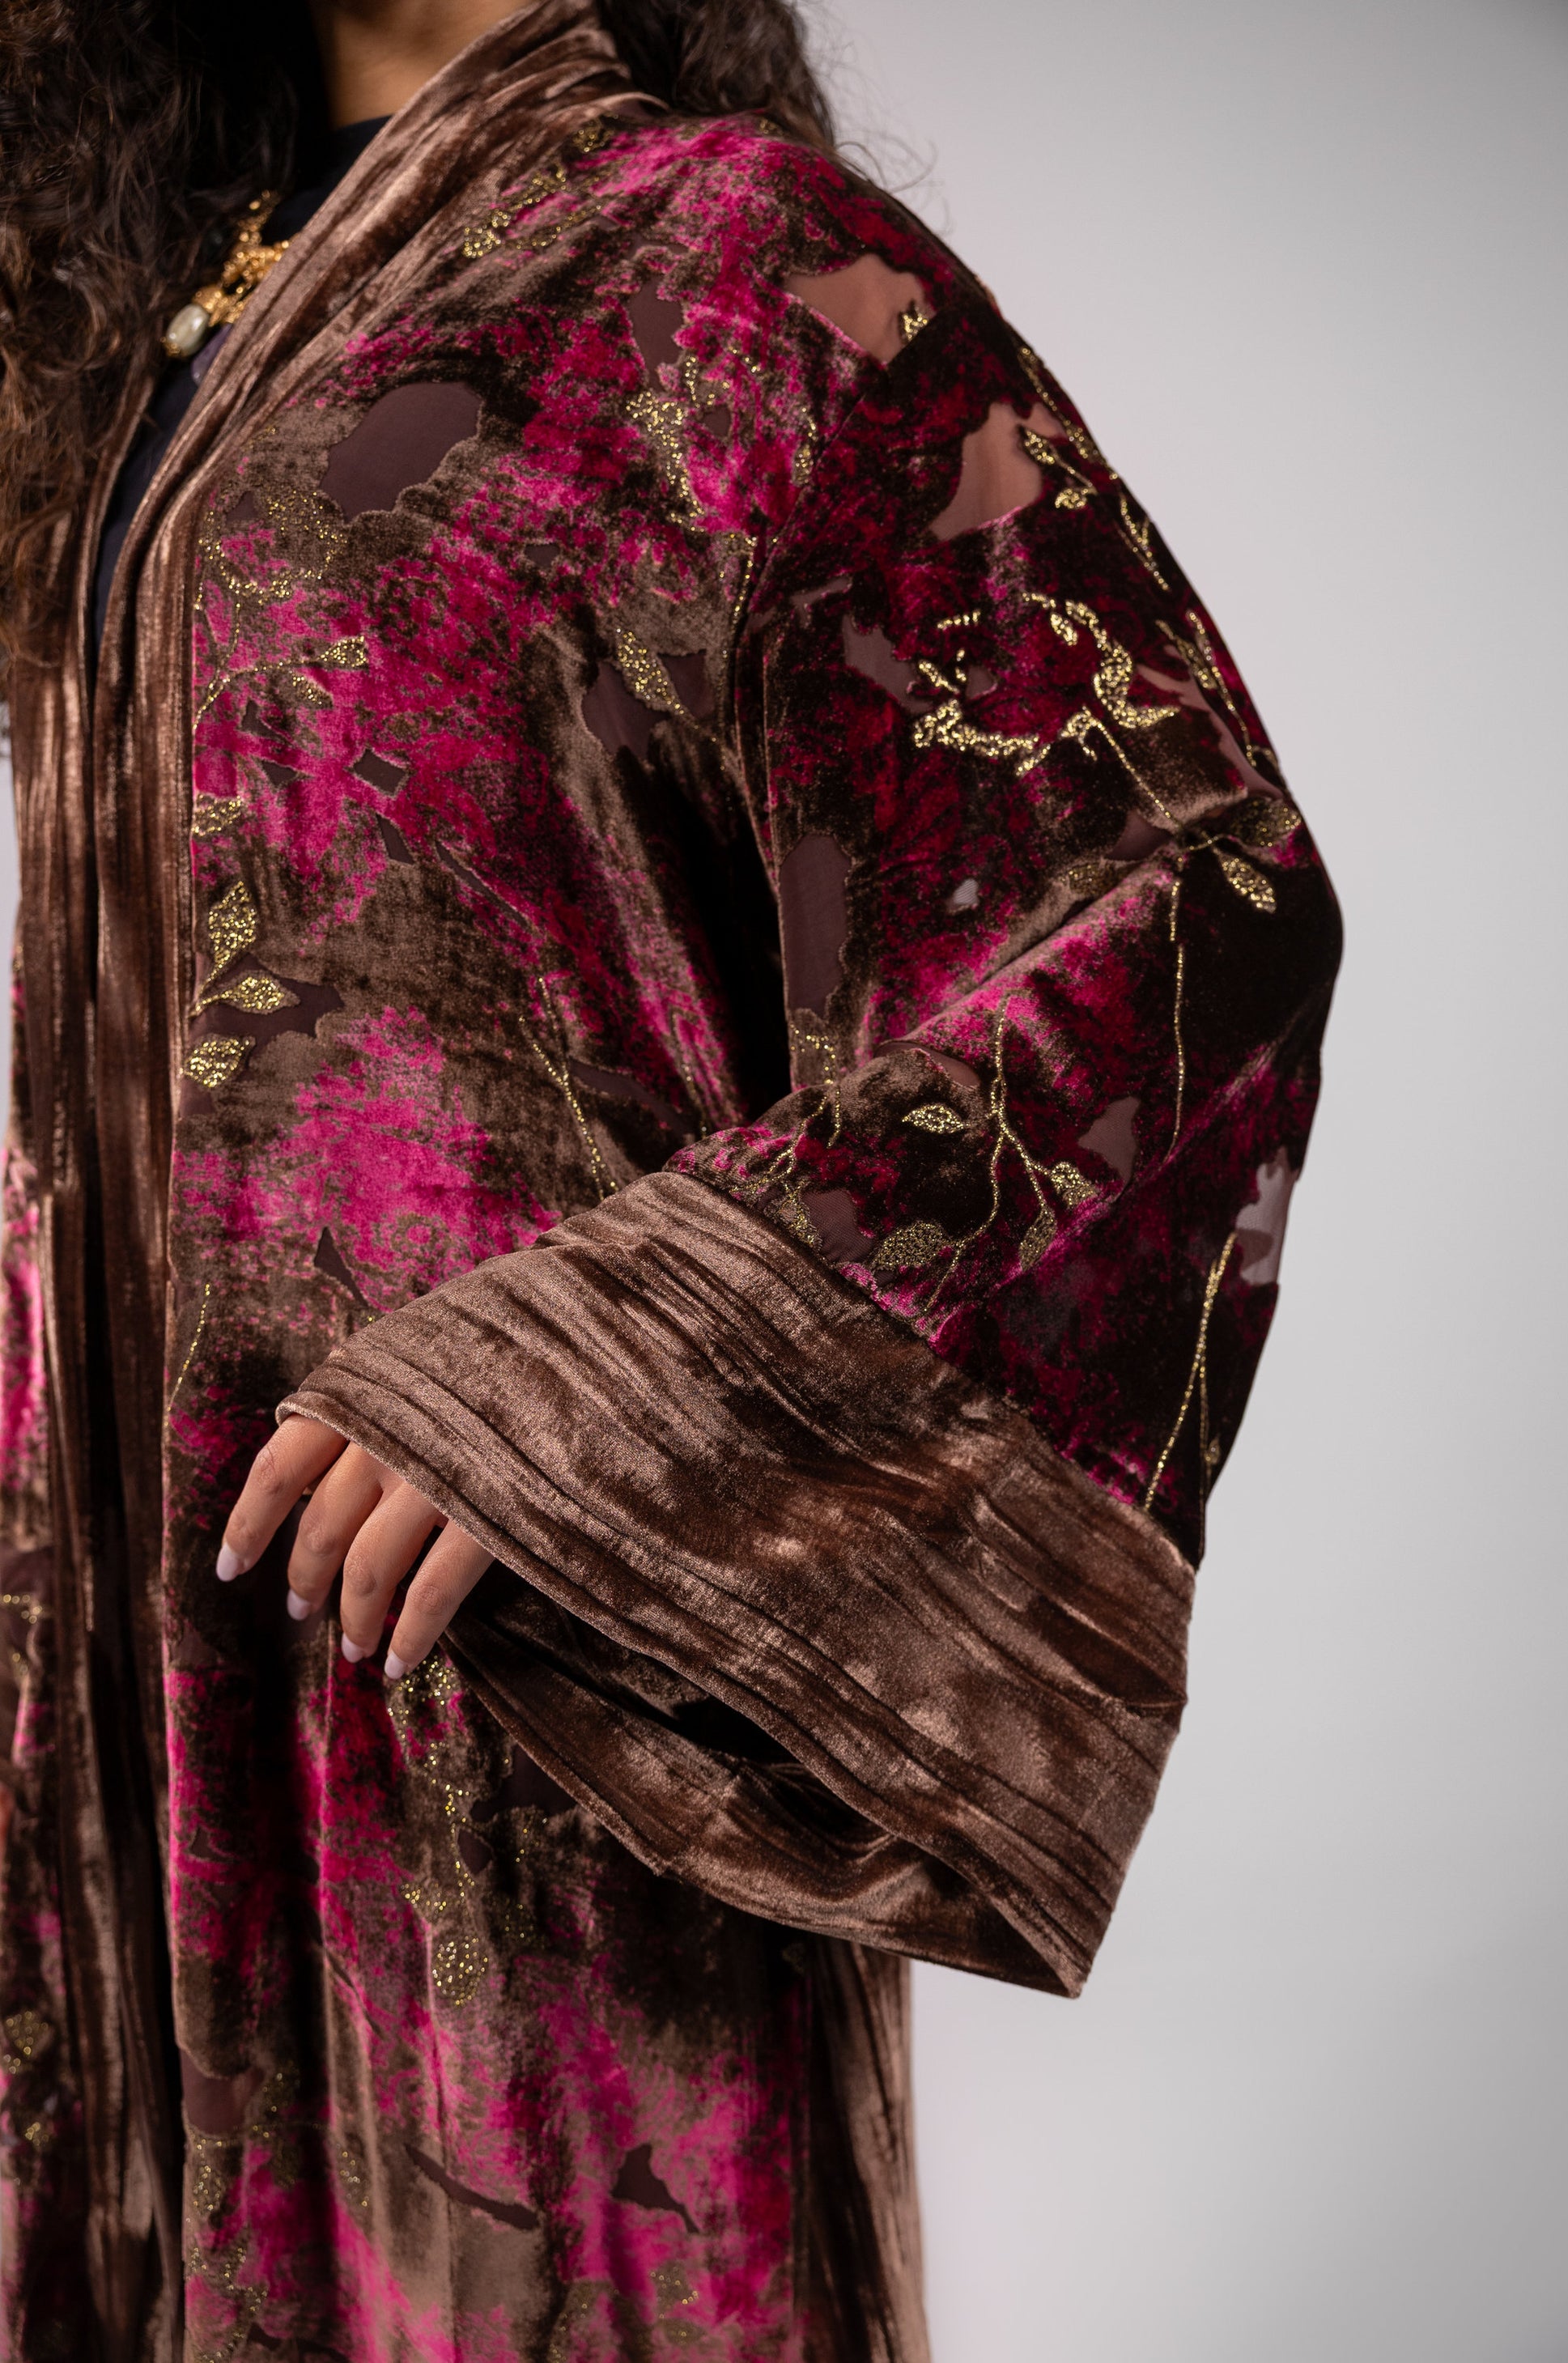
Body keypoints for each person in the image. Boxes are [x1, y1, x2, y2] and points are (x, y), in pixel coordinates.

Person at [0, 0, 1341, 2353]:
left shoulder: (749, 267)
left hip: (505, 1675)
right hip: (127, 1645)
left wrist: (583, 1386)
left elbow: (1189, 913)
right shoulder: (160, 313)